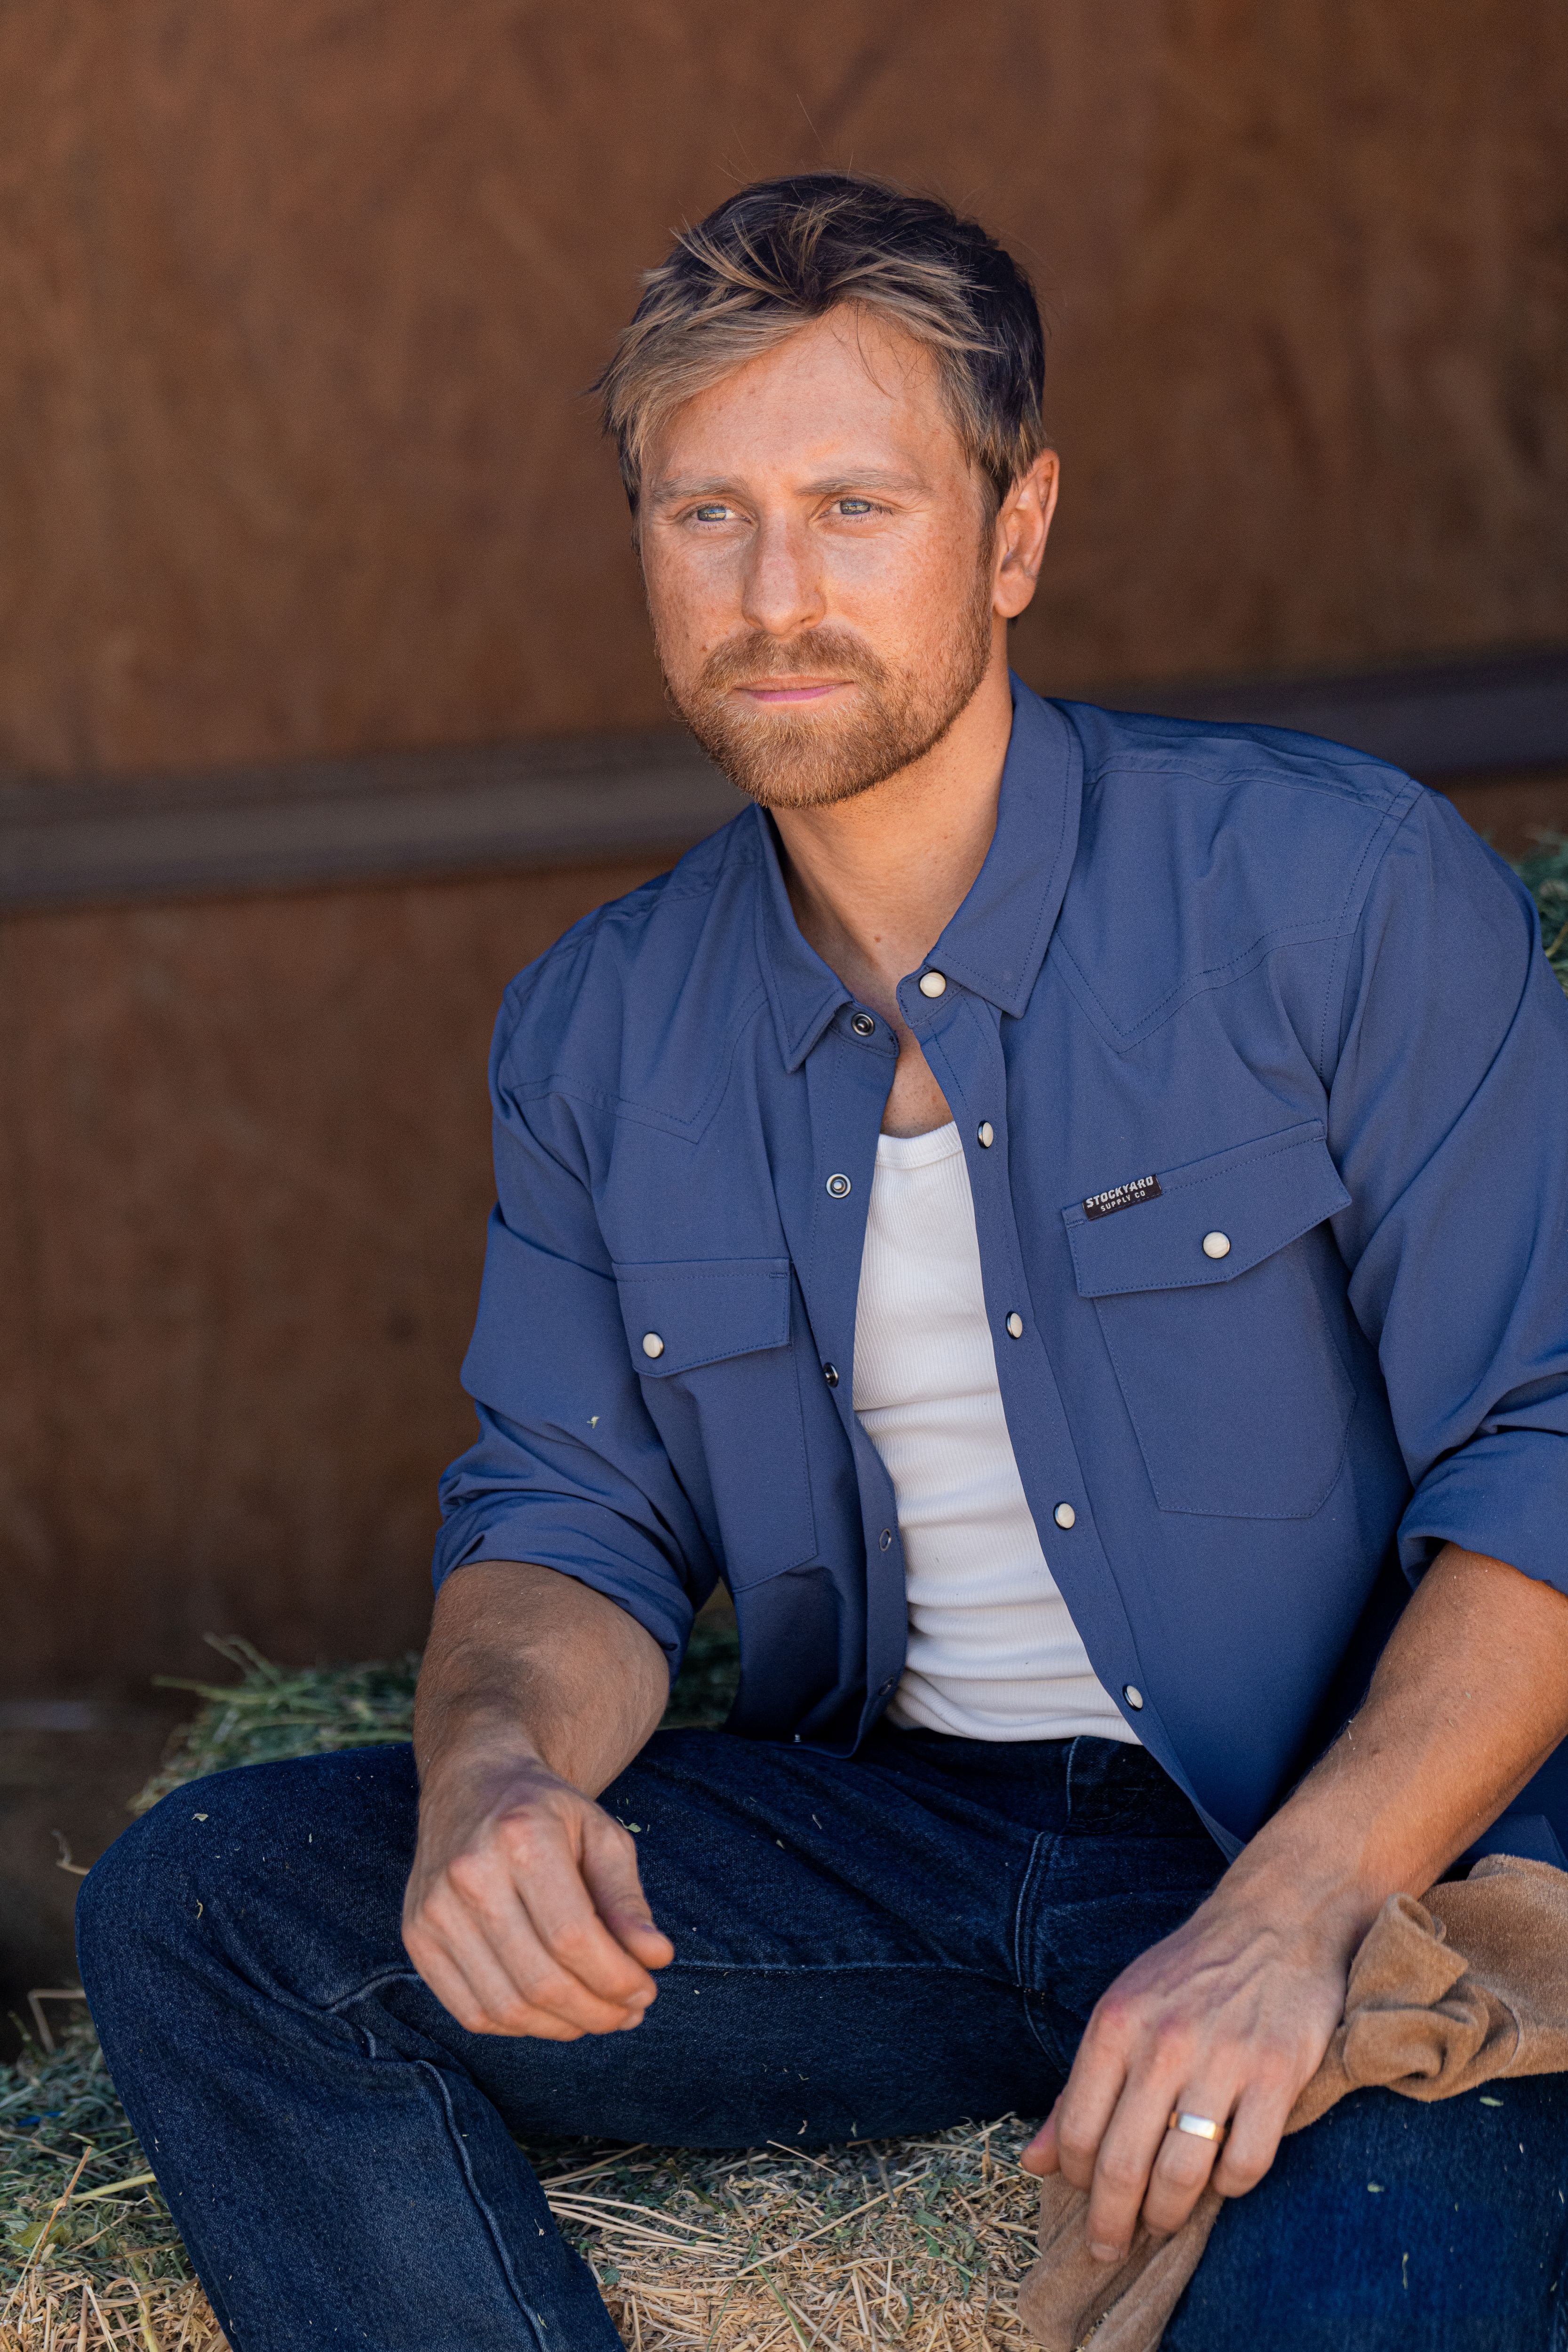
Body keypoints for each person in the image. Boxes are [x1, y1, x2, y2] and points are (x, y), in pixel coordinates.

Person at [80, 173, 1568, 2350]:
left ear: (1018, 532)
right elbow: (559, 1523)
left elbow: (1545, 1448)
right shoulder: (598, 1024)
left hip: (1365, 1840)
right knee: (213, 1904)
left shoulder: (1332, 885)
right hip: (903, 1853)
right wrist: (490, 1773)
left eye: (854, 504)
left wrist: (1290, 1914)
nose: (776, 592)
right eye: (708, 516)